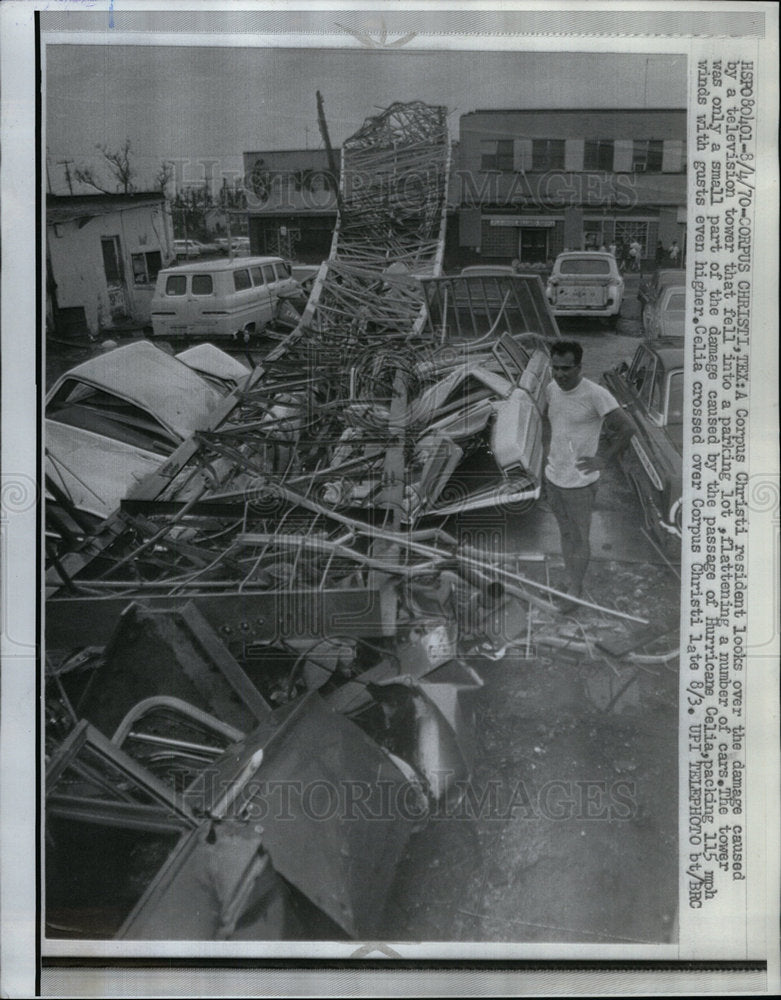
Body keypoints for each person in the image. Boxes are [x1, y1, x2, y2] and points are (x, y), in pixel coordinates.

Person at [543, 340, 635, 613]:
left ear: (579, 367)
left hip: (580, 483)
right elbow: (549, 426)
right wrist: (545, 462)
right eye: (556, 368)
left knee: (580, 538)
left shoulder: (596, 394)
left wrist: (602, 460)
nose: (560, 375)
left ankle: (575, 588)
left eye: (566, 369)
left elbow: (627, 428)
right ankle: (571, 578)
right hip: (554, 476)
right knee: (565, 533)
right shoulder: (551, 389)